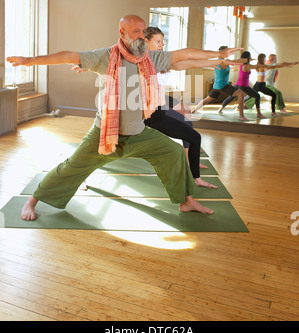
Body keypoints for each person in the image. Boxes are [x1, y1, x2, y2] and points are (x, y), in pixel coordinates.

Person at [7, 15, 243, 221]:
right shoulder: (105, 56)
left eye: (143, 30)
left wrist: (218, 55)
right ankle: (34, 200)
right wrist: (30, 61)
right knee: (72, 167)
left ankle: (186, 200)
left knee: (172, 153)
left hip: (138, 133)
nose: (141, 35)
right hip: (105, 134)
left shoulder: (149, 58)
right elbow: (68, 55)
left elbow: (184, 54)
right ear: (122, 33)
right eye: (136, 31)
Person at [143, 26, 215, 189]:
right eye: (157, 41)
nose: (161, 45)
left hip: (160, 105)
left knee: (189, 122)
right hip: (151, 114)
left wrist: (218, 61)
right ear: (146, 42)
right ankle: (192, 170)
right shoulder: (143, 60)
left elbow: (188, 61)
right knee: (193, 137)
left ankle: (193, 166)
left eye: (163, 41)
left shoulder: (162, 59)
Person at [219, 51, 298, 118]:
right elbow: (233, 65)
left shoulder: (243, 65)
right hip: (248, 85)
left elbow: (276, 65)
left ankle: (221, 109)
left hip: (247, 85)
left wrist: (287, 64)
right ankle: (257, 113)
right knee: (254, 96)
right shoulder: (251, 66)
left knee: (240, 97)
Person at [191, 46, 248, 121]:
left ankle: (194, 109)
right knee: (241, 93)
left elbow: (224, 69)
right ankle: (241, 116)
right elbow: (236, 61)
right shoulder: (224, 61)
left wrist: (234, 68)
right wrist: (247, 59)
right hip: (223, 86)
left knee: (207, 100)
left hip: (216, 86)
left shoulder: (217, 61)